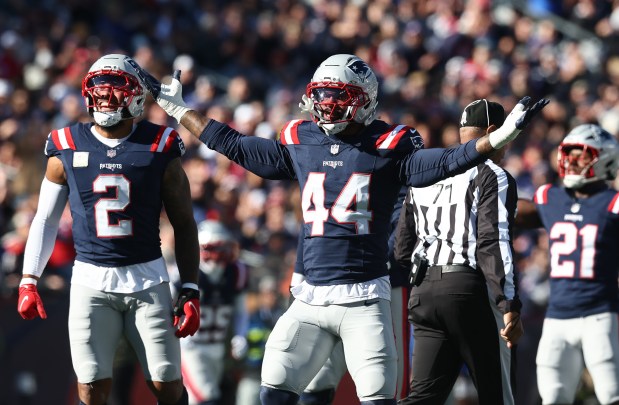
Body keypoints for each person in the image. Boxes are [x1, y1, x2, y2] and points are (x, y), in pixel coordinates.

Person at [133, 54, 547, 405]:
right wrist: (179, 111)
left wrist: (499, 138)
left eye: (338, 97)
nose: (327, 106)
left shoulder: (390, 145)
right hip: (309, 296)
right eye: (321, 96)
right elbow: (238, 146)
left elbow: (442, 163)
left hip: (364, 298)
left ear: (364, 100)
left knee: (378, 396)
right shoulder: (302, 139)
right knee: (274, 389)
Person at [15, 54, 200, 405]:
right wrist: (29, 278)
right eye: (99, 89)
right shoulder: (66, 145)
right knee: (90, 386)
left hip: (147, 280)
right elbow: (45, 219)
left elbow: (184, 222)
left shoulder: (159, 144)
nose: (104, 96)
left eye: (115, 89)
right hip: (90, 280)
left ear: (136, 96)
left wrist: (190, 288)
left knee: (165, 382)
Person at [393, 99, 524, 405]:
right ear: (494, 132)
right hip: (468, 290)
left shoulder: (425, 173)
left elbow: (401, 248)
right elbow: (493, 241)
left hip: (423, 293)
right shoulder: (492, 174)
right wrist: (509, 304)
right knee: (499, 397)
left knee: (421, 398)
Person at [515, 124, 619, 405]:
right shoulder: (552, 198)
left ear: (605, 159)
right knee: (554, 396)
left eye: (581, 155)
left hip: (600, 314)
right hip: (557, 316)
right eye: (568, 153)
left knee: (612, 393)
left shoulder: (613, 203)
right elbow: (512, 210)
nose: (571, 160)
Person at [297, 186, 411, 405]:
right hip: (329, 283)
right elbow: (312, 217)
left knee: (386, 380)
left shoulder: (393, 158)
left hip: (383, 284)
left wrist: (376, 261)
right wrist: (300, 269)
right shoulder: (327, 156)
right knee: (318, 377)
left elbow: (403, 215)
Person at [171, 219, 249, 405]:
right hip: (190, 348)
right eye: (215, 248)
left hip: (217, 348)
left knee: (203, 398)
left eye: (223, 248)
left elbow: (241, 310)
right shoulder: (183, 273)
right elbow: (166, 309)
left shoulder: (236, 272)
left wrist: (240, 335)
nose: (220, 254)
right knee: (206, 397)